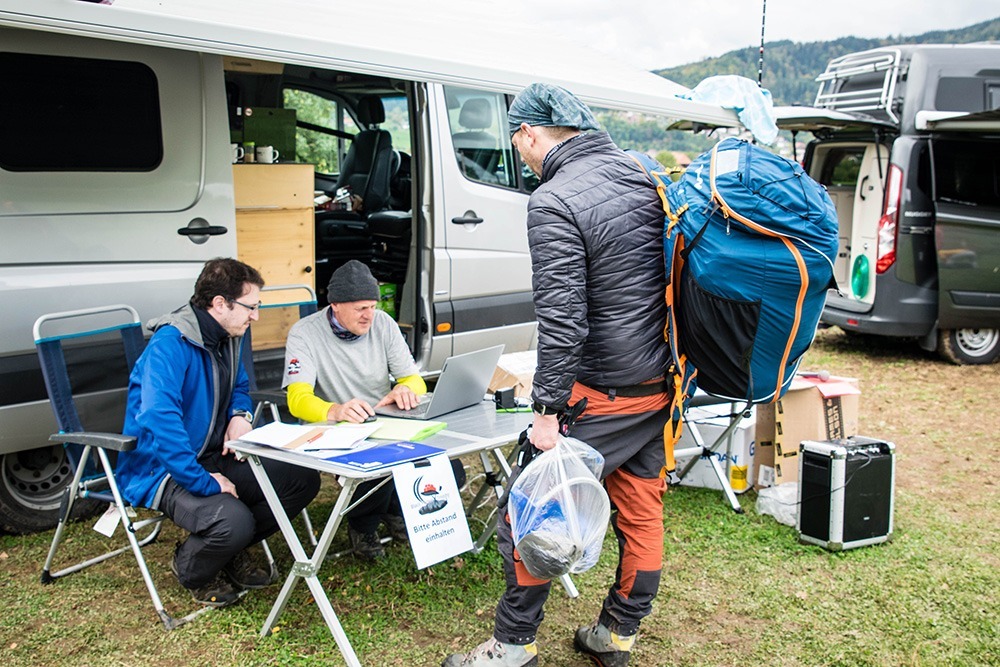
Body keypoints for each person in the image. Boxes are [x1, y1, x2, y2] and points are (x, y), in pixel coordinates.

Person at [444, 84, 672, 667]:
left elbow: (563, 318)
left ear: (528, 133)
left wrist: (546, 413)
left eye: (517, 140)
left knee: (533, 513)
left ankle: (512, 646)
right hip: (656, 387)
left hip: (597, 393)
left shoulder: (553, 199)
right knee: (641, 511)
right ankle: (617, 636)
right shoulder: (641, 175)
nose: (519, 153)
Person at [117, 258, 321, 608]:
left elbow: (239, 386)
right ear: (220, 304)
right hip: (163, 470)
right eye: (251, 307)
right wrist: (205, 483)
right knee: (233, 520)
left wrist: (240, 415)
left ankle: (228, 551)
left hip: (216, 453)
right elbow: (159, 420)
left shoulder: (228, 335)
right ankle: (192, 568)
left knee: (301, 479)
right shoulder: (169, 346)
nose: (256, 316)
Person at [282, 259, 439, 560]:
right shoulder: (304, 333)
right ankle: (363, 525)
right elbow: (297, 399)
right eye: (361, 309)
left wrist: (406, 389)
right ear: (336, 305)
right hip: (334, 428)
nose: (370, 316)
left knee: (450, 466)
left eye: (373, 306)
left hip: (384, 419)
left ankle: (395, 510)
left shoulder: (383, 323)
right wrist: (337, 411)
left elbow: (413, 379)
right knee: (375, 469)